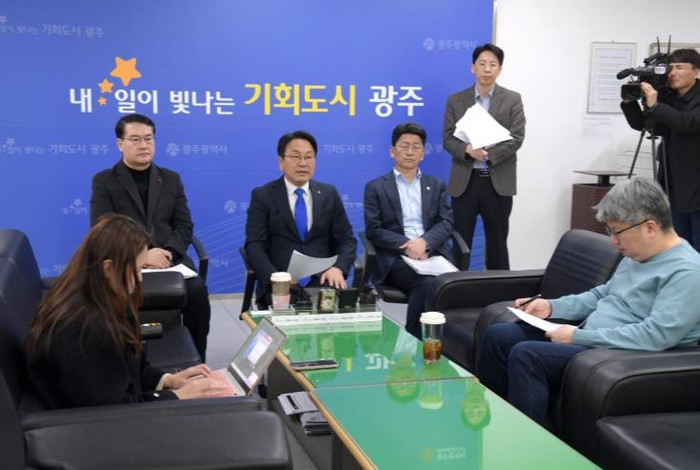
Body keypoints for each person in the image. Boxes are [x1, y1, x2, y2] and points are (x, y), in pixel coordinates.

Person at [476, 177, 700, 425]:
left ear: (649, 228)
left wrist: (578, 336)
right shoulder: (638, 254)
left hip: (621, 352)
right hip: (594, 338)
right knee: (498, 335)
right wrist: (552, 306)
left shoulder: (687, 272)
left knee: (528, 355)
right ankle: (490, 422)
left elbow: (655, 336)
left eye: (617, 231)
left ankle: (524, 440)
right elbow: (601, 295)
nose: (613, 241)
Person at [25, 214, 227, 409]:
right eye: (137, 269)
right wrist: (177, 396)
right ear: (108, 268)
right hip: (103, 425)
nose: (141, 278)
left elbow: (125, 367)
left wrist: (167, 380)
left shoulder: (91, 296)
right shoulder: (86, 329)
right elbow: (114, 410)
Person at [90, 113, 211, 360]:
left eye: (148, 138)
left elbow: (184, 225)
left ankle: (197, 361)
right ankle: (128, 360)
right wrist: (142, 256)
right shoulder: (105, 181)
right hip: (126, 264)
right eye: (135, 139)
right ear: (120, 143)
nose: (143, 145)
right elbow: (102, 228)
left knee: (197, 292)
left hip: (170, 260)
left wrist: (168, 254)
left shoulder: (170, 179)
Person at [245, 130, 357, 309]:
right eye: (296, 157)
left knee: (338, 316)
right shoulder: (263, 195)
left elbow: (347, 239)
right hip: (281, 280)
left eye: (309, 157)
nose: (303, 163)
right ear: (281, 162)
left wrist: (339, 268)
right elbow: (255, 244)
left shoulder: (328, 193)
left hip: (324, 278)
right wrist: (275, 277)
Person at [364, 123, 454, 337]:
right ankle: (415, 337)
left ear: (423, 154)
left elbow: (446, 222)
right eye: (404, 146)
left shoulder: (437, 185)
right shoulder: (376, 187)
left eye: (416, 147)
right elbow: (374, 229)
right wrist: (408, 246)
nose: (410, 151)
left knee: (451, 285)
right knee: (428, 284)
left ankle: (446, 341)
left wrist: (425, 243)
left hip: (433, 253)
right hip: (397, 258)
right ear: (392, 151)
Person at [443, 43, 526, 270]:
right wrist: (468, 150)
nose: (487, 69)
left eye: (492, 65)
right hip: (465, 182)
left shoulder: (512, 99)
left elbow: (517, 138)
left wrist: (489, 155)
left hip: (497, 182)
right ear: (473, 68)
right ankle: (457, 287)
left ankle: (499, 288)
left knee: (498, 243)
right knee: (460, 243)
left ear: (499, 69)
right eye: (482, 64)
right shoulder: (456, 100)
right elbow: (448, 139)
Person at [621, 48, 700, 251]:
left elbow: (688, 124)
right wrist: (630, 103)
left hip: (696, 185)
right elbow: (648, 126)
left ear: (696, 71)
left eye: (679, 67)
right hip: (674, 182)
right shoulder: (670, 98)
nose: (673, 73)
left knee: (697, 243)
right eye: (670, 67)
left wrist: (656, 105)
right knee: (677, 241)